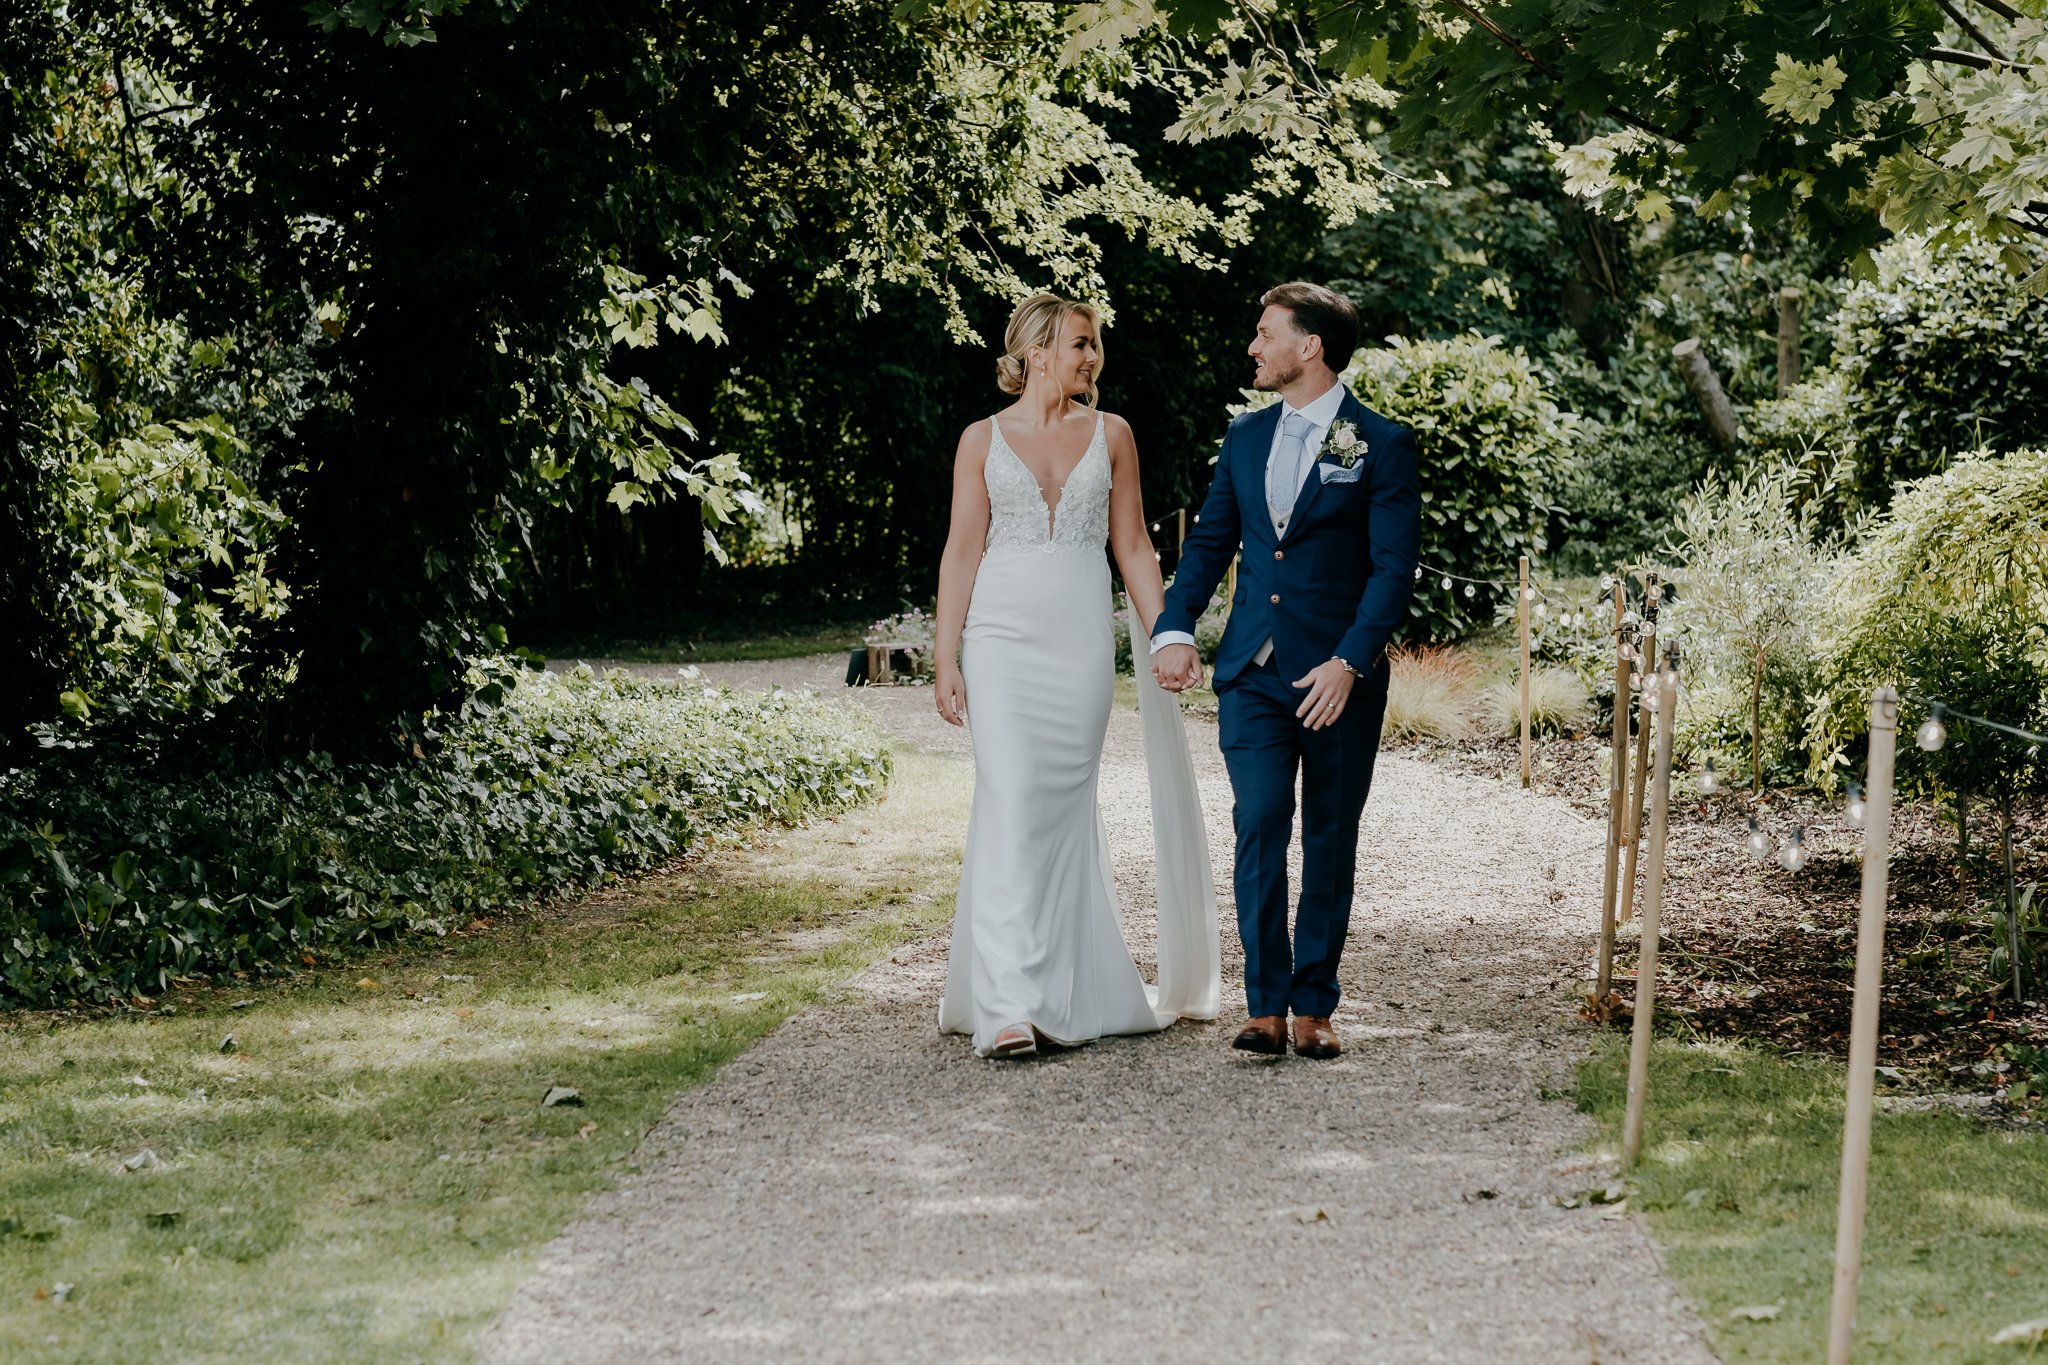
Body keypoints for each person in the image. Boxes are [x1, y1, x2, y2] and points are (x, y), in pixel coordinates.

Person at [933, 293, 1218, 1059]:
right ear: (1037, 353)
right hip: (1000, 636)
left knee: (1058, 810)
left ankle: (1055, 989)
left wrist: (1170, 635)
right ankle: (1003, 1004)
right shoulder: (980, 440)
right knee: (1010, 797)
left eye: (1095, 346)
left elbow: (1131, 546)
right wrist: (945, 653)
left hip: (1080, 641)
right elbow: (963, 549)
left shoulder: (1113, 434)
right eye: (1081, 344)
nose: (1092, 358)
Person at [1150, 282, 1421, 1060]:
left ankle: (1314, 1005)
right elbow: (1209, 545)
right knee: (1261, 820)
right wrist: (1174, 626)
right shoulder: (1244, 437)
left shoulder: (1380, 443)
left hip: (1339, 680)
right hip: (1255, 673)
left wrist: (1350, 662)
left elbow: (1392, 570)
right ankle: (1264, 1003)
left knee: (1330, 837)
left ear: (1311, 347)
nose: (1254, 347)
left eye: (1266, 334)